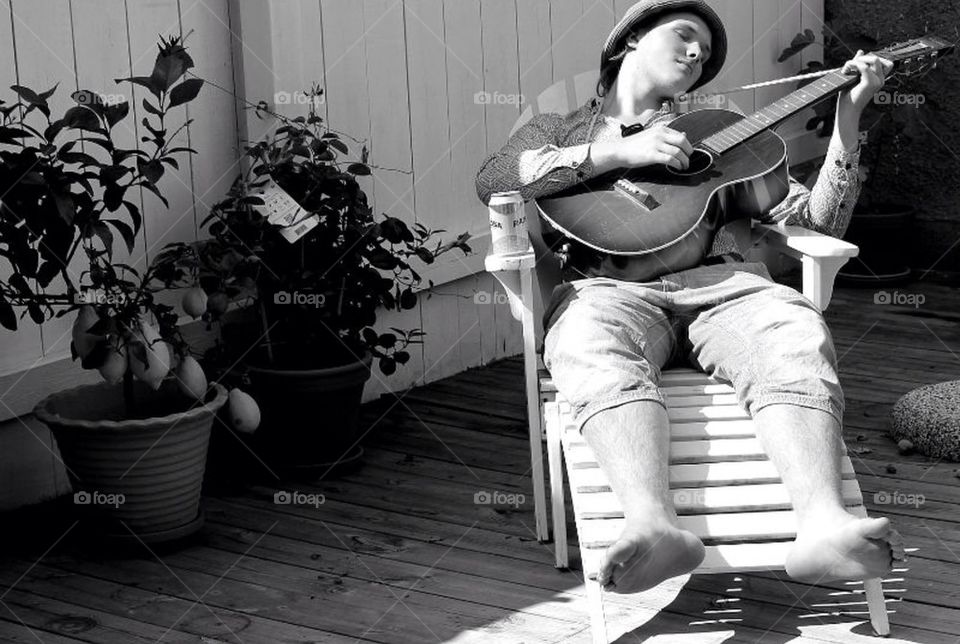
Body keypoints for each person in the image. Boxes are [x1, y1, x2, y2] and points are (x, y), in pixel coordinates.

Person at [475, 0, 905, 595]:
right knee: (583, 341)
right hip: (610, 292)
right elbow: (494, 178)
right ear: (627, 41)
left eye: (705, 49)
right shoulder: (562, 131)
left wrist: (848, 119)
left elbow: (817, 223)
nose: (697, 52)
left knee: (791, 332)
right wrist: (617, 153)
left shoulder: (719, 135)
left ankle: (825, 526)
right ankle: (652, 526)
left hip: (726, 288)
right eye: (684, 34)